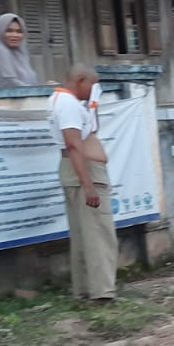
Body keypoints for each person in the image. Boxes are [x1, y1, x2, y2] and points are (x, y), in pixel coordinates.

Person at [47, 64, 117, 303]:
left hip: (77, 172)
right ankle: (102, 292)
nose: (94, 89)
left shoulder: (62, 101)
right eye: (92, 84)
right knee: (99, 233)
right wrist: (88, 185)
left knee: (83, 235)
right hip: (85, 173)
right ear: (79, 80)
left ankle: (87, 289)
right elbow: (75, 145)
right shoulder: (67, 105)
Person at [0, 13, 39, 88]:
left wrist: (45, 87)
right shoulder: (0, 51)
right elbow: (9, 83)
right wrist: (37, 90)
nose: (15, 35)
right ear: (0, 31)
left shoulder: (21, 53)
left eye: (19, 31)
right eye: (9, 31)